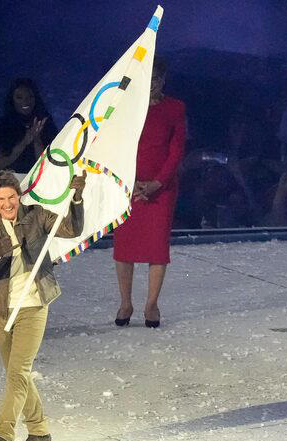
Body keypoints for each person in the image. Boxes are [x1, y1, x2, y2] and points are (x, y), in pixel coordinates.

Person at [0, 169, 86, 441]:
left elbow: (71, 230)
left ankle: (2, 435)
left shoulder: (35, 216)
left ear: (18, 196)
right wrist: (4, 247)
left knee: (18, 371)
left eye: (11, 196)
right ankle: (39, 433)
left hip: (33, 304)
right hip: (0, 310)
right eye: (1, 199)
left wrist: (75, 197)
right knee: (16, 373)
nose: (7, 203)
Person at [112, 58, 186, 328]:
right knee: (124, 247)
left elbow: (176, 150)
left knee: (156, 247)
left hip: (161, 189)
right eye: (148, 78)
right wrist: (129, 180)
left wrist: (157, 183)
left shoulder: (175, 108)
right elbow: (117, 143)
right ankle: (125, 302)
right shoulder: (126, 106)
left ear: (163, 79)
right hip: (129, 185)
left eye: (157, 78)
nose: (153, 84)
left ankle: (151, 304)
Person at [0, 78, 58, 173]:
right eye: (19, 97)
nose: (25, 102)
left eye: (30, 97)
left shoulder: (45, 122)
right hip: (9, 181)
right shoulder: (0, 126)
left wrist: (36, 140)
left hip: (39, 181)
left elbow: (49, 165)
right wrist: (24, 142)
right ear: (12, 99)